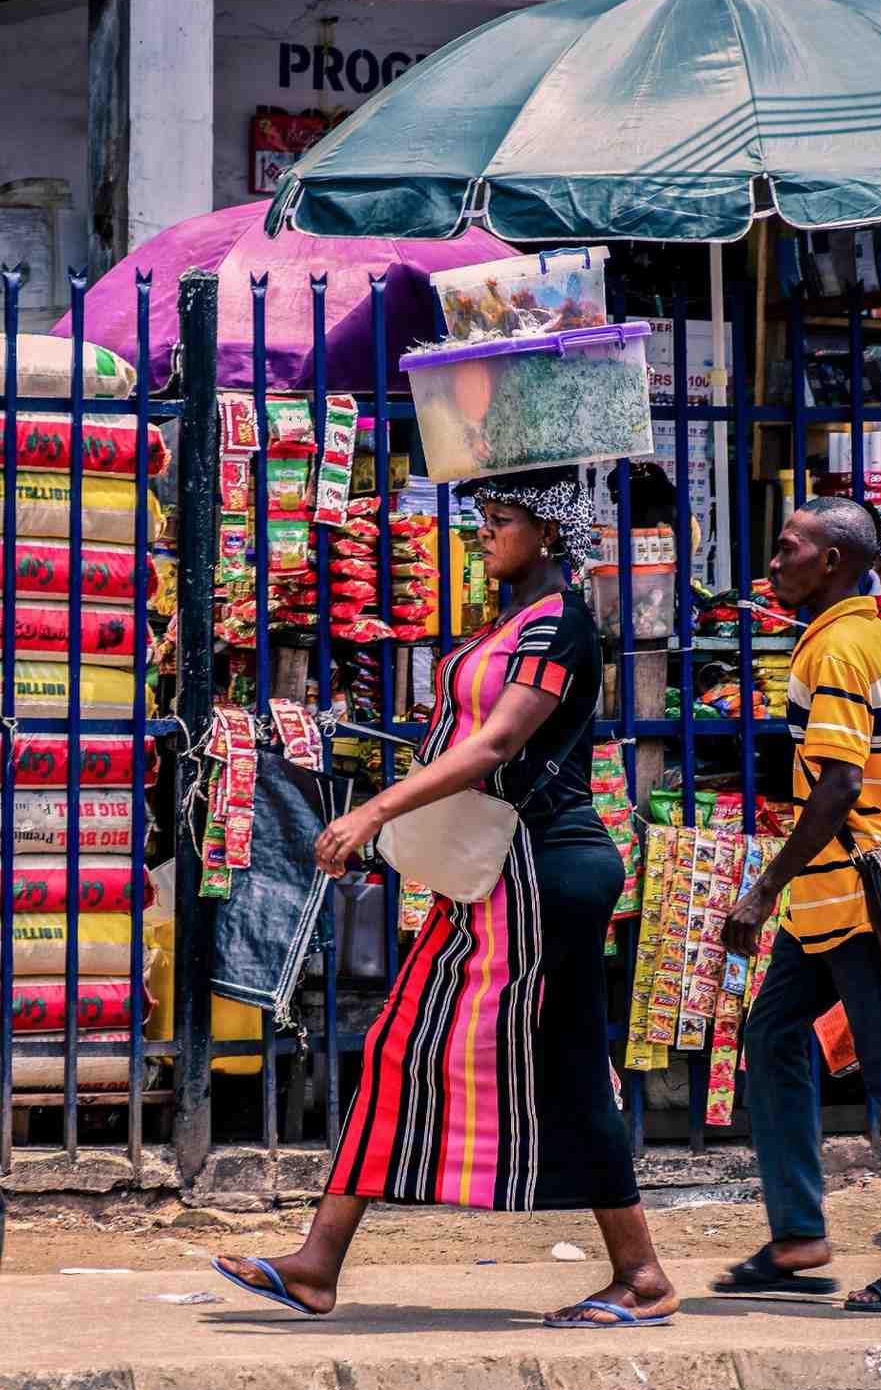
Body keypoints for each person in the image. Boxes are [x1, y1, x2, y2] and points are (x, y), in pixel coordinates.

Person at [213, 468, 678, 1330]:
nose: (482, 535)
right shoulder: (506, 623)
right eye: (481, 519)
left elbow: (498, 740)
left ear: (546, 534)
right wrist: (392, 836)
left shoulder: (562, 627)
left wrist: (376, 812)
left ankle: (642, 1274)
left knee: (569, 1069)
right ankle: (317, 1264)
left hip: (544, 873)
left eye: (499, 521)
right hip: (488, 871)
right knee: (400, 1045)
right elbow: (455, 741)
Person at [715, 496, 881, 1313]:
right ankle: (798, 1232)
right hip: (849, 895)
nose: (771, 562)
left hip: (858, 898)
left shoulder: (831, 653)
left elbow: (838, 784)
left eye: (786, 547)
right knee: (772, 1034)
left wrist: (761, 890)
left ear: (831, 561)